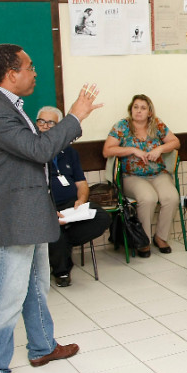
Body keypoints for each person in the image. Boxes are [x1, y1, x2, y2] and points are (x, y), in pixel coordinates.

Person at [0, 43, 101, 373]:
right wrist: (75, 116)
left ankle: (42, 346)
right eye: (29, 67)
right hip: (12, 217)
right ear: (11, 73)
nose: (35, 73)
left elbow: (32, 158)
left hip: (28, 211)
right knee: (6, 295)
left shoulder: (10, 106)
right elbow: (40, 150)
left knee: (35, 284)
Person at [36, 106, 112, 288]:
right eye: (41, 122)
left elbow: (82, 184)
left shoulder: (70, 153)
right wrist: (50, 212)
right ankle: (62, 271)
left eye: (50, 123)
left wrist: (82, 200)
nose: (45, 126)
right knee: (54, 230)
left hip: (72, 206)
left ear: (60, 127)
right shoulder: (33, 151)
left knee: (102, 217)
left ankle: (62, 244)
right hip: (46, 208)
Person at [102, 95, 180, 257]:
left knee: (171, 197)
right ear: (131, 110)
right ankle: (142, 241)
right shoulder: (122, 126)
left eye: (143, 108)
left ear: (150, 112)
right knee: (148, 197)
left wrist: (160, 149)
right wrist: (132, 150)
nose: (139, 111)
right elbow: (107, 150)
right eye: (136, 107)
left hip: (158, 173)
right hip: (131, 176)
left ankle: (161, 237)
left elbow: (175, 142)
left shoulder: (157, 125)